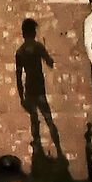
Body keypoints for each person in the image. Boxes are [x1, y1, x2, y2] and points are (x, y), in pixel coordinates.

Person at [15, 19, 65, 163]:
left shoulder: (20, 51)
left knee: (34, 120)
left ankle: (38, 148)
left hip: (29, 89)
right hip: (39, 88)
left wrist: (21, 96)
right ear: (34, 32)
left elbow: (18, 76)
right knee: (48, 119)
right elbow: (50, 62)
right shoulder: (38, 47)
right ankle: (59, 150)